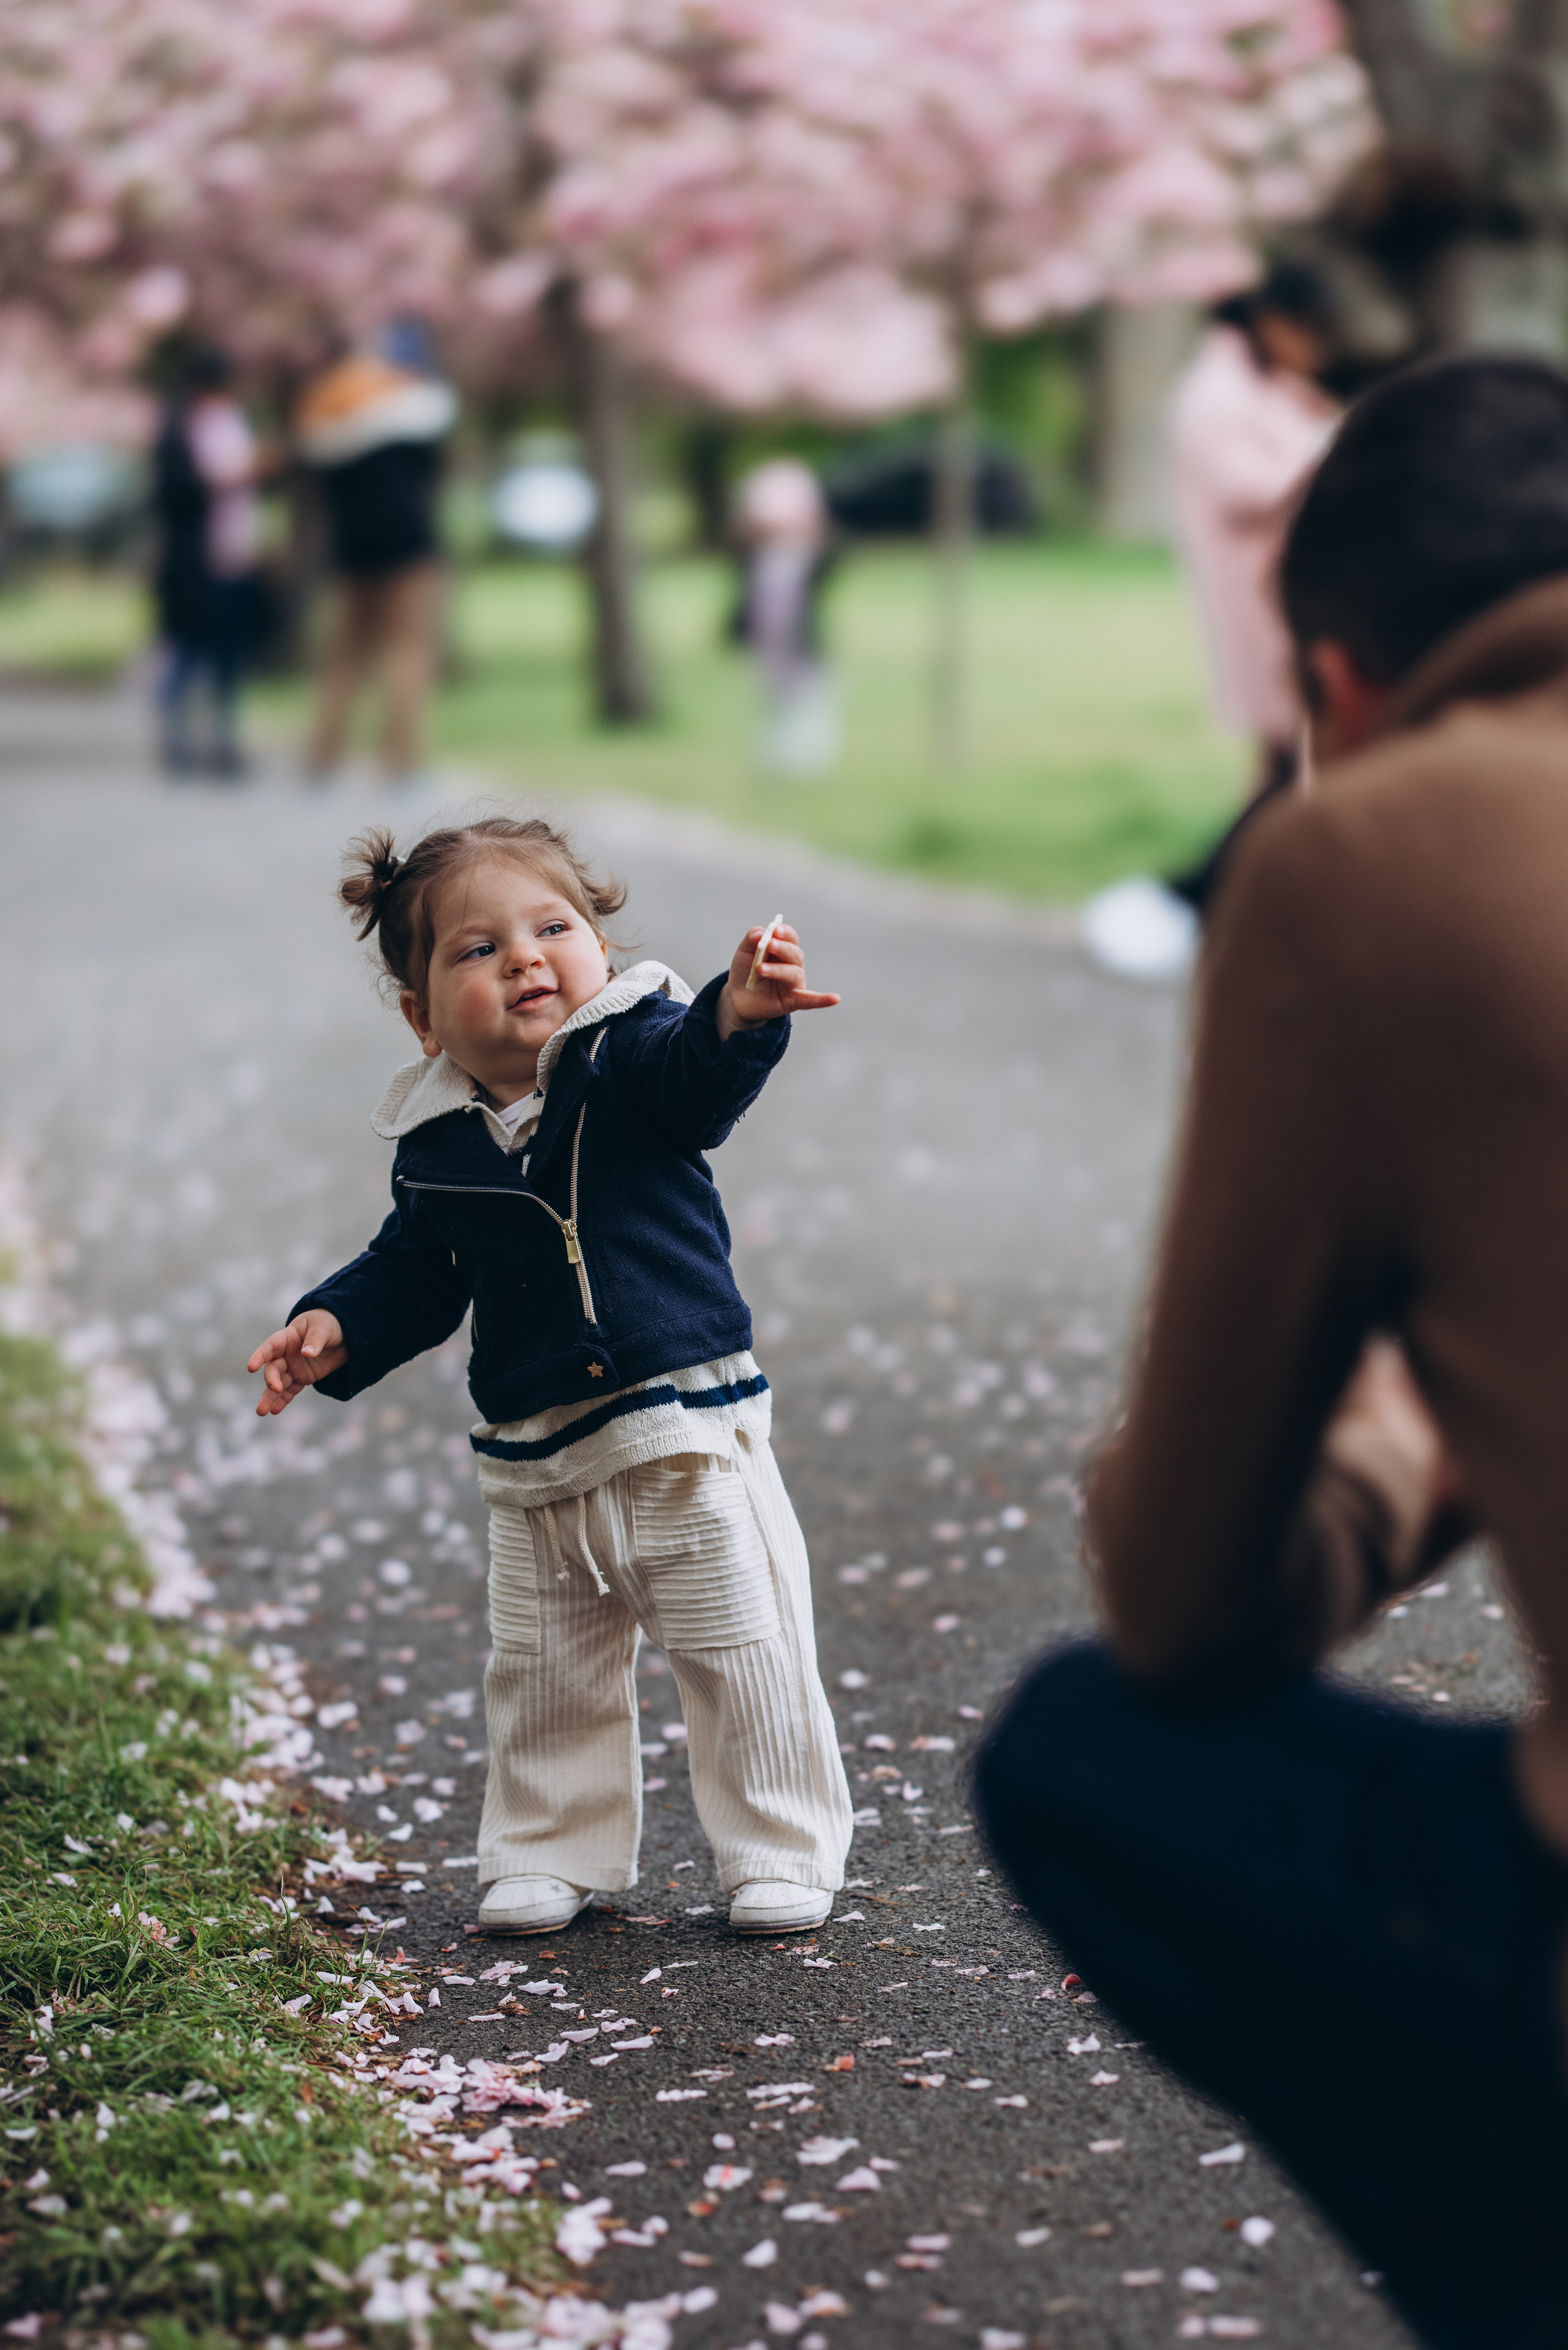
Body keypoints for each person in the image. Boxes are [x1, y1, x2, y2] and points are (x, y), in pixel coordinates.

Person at [975, 354, 1568, 2349]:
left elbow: (1190, 1605)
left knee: (1090, 1752)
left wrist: (1409, 1448)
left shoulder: (1375, 849)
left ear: (1340, 685)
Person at [245, 817, 853, 1938]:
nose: (525, 958)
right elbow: (416, 1269)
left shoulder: (631, 1057)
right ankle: (546, 1849)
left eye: (552, 928)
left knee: (743, 1645)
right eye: (477, 950)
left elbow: (695, 1078)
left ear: (602, 957)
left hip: (681, 1431)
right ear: (423, 1017)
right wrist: (333, 1324)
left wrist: (739, 1015)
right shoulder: (437, 1149)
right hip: (538, 1460)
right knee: (543, 1672)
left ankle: (777, 1845)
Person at [1164, 263, 1340, 912]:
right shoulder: (1217, 391)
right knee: (1292, 750)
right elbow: (1242, 486)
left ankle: (1231, 891)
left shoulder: (1262, 386)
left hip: (1278, 587)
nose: (1315, 349)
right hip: (1257, 594)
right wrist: (1325, 446)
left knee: (1284, 756)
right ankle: (1206, 892)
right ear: (1270, 322)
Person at [295, 341, 456, 785]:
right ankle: (400, 763)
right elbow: (433, 474)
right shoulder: (414, 421)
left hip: (351, 554)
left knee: (343, 658)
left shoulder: (323, 421)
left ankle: (322, 758)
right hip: (410, 551)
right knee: (407, 655)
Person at [151, 347, 268, 779]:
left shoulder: (185, 424)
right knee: (203, 653)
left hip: (222, 557)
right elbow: (207, 481)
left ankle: (202, 741)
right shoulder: (196, 427)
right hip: (205, 561)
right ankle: (196, 740)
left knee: (212, 655)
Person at [730, 458, 839, 777]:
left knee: (807, 701)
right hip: (771, 645)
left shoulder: (807, 561)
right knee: (775, 700)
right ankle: (779, 759)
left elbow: (832, 553)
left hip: (801, 645)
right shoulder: (759, 562)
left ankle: (807, 762)